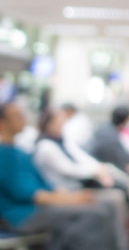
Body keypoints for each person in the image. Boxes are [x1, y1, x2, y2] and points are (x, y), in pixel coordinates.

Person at [0, 101, 120, 250]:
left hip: (40, 206)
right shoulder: (4, 155)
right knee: (95, 214)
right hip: (22, 215)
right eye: (16, 116)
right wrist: (70, 199)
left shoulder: (21, 152)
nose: (23, 118)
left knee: (105, 207)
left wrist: (71, 196)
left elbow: (45, 183)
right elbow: (30, 195)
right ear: (2, 123)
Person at [34, 110, 129, 250]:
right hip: (65, 191)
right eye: (58, 122)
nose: (62, 125)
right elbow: (69, 169)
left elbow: (83, 159)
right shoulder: (45, 146)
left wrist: (99, 169)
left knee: (118, 195)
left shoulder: (63, 142)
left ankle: (119, 243)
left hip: (75, 188)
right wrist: (96, 171)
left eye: (63, 123)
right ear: (48, 124)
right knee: (106, 206)